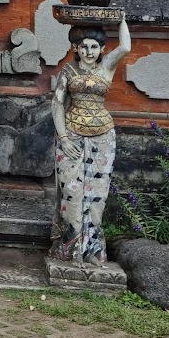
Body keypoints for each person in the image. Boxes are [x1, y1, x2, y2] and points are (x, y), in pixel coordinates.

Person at [49, 17, 131, 264]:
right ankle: (70, 249)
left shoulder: (107, 67)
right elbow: (57, 103)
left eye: (94, 47)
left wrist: (121, 20)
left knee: (97, 195)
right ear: (75, 48)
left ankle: (92, 250)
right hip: (72, 135)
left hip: (103, 136)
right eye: (83, 47)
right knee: (72, 192)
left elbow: (126, 47)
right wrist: (63, 138)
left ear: (102, 49)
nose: (88, 52)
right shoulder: (68, 70)